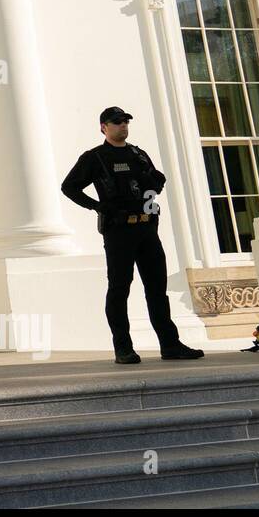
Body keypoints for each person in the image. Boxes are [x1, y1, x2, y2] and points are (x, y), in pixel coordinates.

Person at [61, 106, 205, 364]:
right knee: (119, 288)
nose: (123, 126)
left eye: (126, 121)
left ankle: (170, 345)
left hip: (147, 228)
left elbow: (154, 182)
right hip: (119, 232)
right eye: (117, 122)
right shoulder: (95, 157)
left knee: (157, 288)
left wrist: (156, 180)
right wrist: (96, 205)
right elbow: (69, 187)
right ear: (104, 127)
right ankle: (123, 348)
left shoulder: (138, 154)